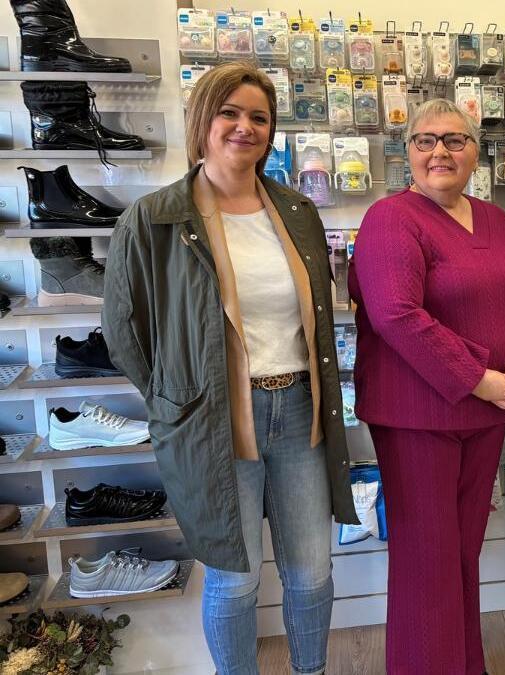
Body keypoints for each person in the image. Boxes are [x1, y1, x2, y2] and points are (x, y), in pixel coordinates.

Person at [103, 61, 357, 675]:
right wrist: (177, 400)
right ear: (203, 120)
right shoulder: (156, 218)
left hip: (299, 412)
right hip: (213, 420)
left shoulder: (296, 211)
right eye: (230, 113)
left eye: (259, 118)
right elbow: (124, 330)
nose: (245, 127)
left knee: (311, 572)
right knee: (233, 579)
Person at [348, 98, 505, 674]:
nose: (440, 152)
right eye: (425, 140)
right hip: (416, 418)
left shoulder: (497, 221)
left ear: (476, 152)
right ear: (407, 151)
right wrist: (479, 379)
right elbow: (396, 314)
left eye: (455, 140)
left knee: (461, 555)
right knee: (426, 563)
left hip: (484, 415)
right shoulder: (390, 219)